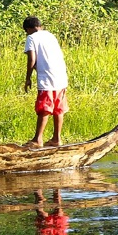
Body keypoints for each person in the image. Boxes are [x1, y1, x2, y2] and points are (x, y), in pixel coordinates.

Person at [22, 16, 69, 148]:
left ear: (28, 29)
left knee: (44, 108)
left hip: (47, 77)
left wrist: (28, 78)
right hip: (60, 76)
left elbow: (32, 59)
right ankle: (57, 139)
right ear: (40, 26)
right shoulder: (50, 36)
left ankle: (37, 140)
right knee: (58, 108)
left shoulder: (31, 38)